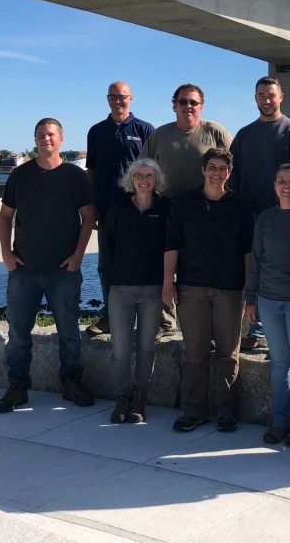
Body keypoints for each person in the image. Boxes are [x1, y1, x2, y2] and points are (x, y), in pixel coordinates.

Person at [0, 118, 95, 413]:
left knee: (69, 332)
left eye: (51, 134)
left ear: (61, 139)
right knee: (18, 334)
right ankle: (17, 387)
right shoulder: (20, 175)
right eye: (40, 135)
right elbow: (5, 217)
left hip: (64, 271)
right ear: (35, 139)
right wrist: (6, 254)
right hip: (23, 270)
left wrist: (79, 255)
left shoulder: (76, 177)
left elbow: (88, 218)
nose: (45, 139)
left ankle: (72, 383)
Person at [163, 147, 254, 433]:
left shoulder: (239, 205)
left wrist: (249, 288)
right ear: (203, 170)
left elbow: (248, 252)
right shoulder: (184, 202)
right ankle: (195, 411)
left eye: (223, 169)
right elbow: (171, 245)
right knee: (196, 353)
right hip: (191, 287)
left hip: (230, 289)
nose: (217, 173)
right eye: (212, 167)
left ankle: (226, 409)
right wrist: (168, 283)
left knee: (229, 353)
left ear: (229, 173)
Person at [230, 75, 290, 352]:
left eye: (271, 95)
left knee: (279, 269)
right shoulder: (244, 135)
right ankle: (254, 324)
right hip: (249, 216)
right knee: (252, 268)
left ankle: (265, 328)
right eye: (261, 95)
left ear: (281, 97)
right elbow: (234, 175)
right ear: (255, 98)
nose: (266, 100)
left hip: (282, 216)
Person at [245, 163, 290, 447]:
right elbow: (256, 259)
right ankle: (280, 421)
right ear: (274, 185)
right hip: (268, 300)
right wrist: (251, 298)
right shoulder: (265, 218)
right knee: (279, 364)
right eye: (281, 181)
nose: (286, 186)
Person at [101, 158, 170, 425]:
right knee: (120, 349)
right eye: (139, 175)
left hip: (152, 289)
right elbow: (107, 247)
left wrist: (167, 283)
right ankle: (122, 397)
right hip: (121, 289)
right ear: (131, 179)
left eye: (149, 176)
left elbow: (170, 247)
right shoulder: (118, 208)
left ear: (157, 180)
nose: (144, 180)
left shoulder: (165, 208)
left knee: (146, 348)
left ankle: (140, 396)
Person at [85, 81, 155, 337]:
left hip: (139, 210)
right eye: (113, 97)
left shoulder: (145, 129)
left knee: (145, 262)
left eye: (122, 97)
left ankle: (154, 318)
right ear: (107, 99)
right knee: (106, 266)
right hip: (106, 210)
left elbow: (153, 171)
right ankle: (110, 315)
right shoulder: (96, 131)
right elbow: (91, 171)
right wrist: (92, 207)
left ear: (131, 99)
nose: (118, 101)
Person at [141, 83, 232, 200]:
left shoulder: (216, 131)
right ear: (175, 106)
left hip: (206, 205)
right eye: (183, 102)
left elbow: (234, 165)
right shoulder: (159, 135)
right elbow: (142, 167)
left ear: (201, 106)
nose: (188, 106)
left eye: (193, 102)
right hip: (168, 204)